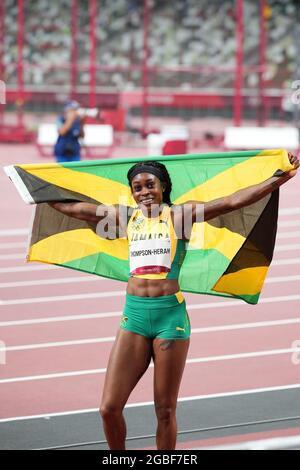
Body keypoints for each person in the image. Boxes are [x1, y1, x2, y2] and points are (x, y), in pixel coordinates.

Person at [49, 153, 299, 450]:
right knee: (108, 408)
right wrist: (33, 184)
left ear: (163, 187)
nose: (144, 192)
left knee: (165, 411)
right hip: (134, 316)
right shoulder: (125, 216)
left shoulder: (180, 216)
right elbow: (72, 208)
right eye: (137, 187)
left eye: (150, 185)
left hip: (170, 319)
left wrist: (277, 178)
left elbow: (232, 201)